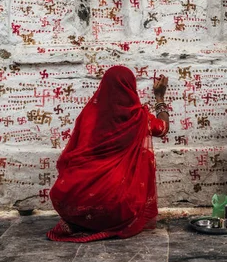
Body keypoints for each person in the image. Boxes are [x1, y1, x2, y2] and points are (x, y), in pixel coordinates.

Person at [47, 65, 169, 242]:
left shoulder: (89, 114)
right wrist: (159, 97)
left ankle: (81, 222)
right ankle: (102, 221)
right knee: (129, 188)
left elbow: (73, 151)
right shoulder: (139, 117)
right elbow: (163, 128)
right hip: (116, 206)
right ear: (131, 87)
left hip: (70, 198)